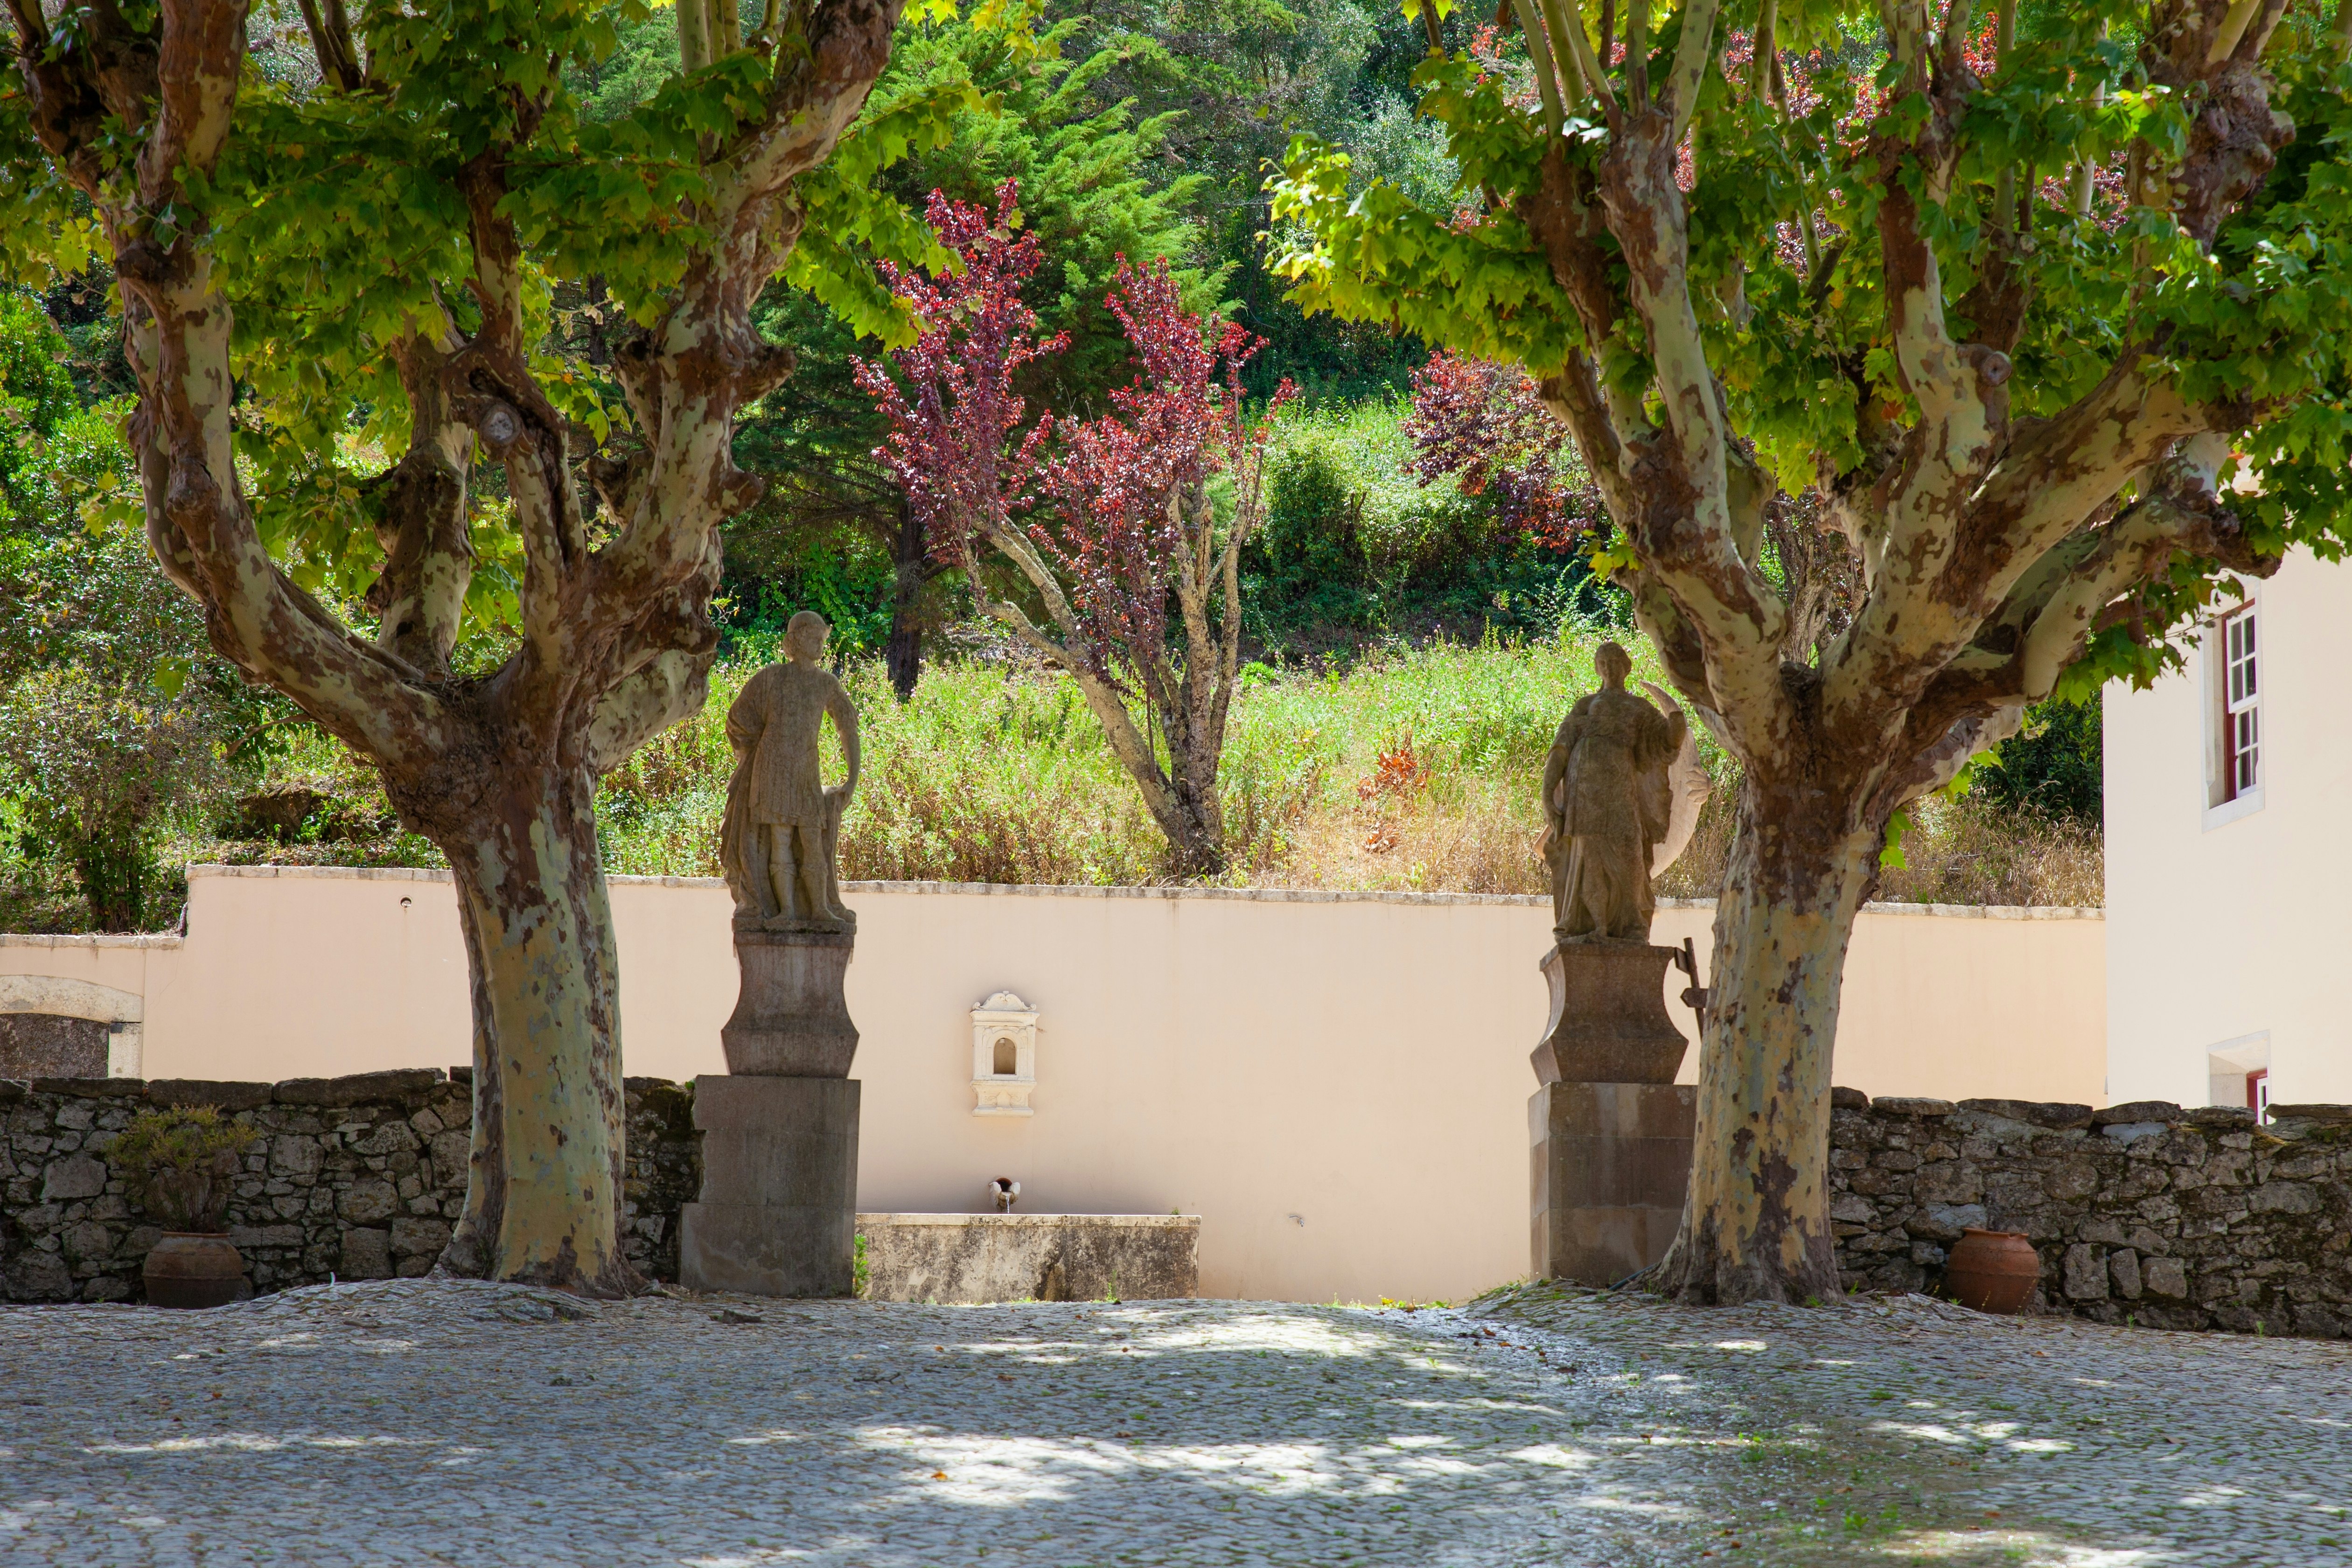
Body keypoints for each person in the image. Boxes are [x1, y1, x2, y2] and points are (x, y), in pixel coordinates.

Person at [720, 611, 860, 932]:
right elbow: (737, 718)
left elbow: (848, 727)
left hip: (805, 768)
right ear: (795, 640)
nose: (820, 645)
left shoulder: (826, 682)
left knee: (812, 838)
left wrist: (852, 778)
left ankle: (820, 909)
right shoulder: (770, 678)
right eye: (814, 638)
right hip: (772, 768)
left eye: (822, 640)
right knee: (780, 837)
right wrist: (753, 751)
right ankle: (785, 912)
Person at [1539, 641, 1687, 943]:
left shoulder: (1639, 708)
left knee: (1630, 851)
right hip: (1586, 790)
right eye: (1603, 662)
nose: (1609, 667)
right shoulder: (1586, 705)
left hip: (1621, 787)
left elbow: (1661, 747)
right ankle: (1593, 924)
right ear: (1597, 669)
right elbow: (1561, 748)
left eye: (1614, 661)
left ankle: (1632, 923)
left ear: (1626, 667)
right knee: (1588, 854)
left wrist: (1675, 730)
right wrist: (1547, 794)